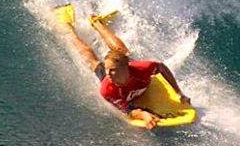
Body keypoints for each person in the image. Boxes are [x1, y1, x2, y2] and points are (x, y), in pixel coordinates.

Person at [57, 8, 190, 129]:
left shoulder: (142, 69)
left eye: (113, 70)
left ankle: (97, 23)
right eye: (108, 69)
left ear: (126, 68)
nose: (109, 73)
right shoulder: (107, 89)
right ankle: (69, 30)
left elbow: (161, 68)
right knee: (93, 61)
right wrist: (144, 115)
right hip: (122, 87)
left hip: (129, 69)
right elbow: (128, 110)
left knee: (122, 51)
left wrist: (179, 93)